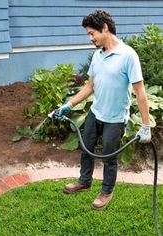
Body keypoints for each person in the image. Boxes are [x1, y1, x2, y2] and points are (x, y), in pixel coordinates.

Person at [54, 10, 151, 210]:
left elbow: (140, 92)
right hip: (96, 112)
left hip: (115, 118)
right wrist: (68, 105)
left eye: (92, 33)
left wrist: (146, 125)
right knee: (86, 148)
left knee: (109, 156)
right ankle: (85, 181)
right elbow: (89, 87)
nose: (91, 38)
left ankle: (106, 191)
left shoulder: (128, 55)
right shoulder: (97, 56)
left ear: (104, 28)